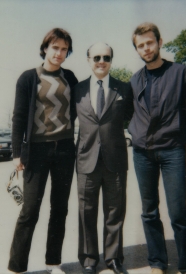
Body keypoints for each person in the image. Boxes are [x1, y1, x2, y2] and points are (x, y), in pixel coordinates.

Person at [128, 22, 186, 274]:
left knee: (178, 210)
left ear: (159, 42)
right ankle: (157, 262)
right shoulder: (135, 80)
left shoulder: (181, 73)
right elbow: (129, 113)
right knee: (149, 211)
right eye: (140, 46)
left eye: (149, 42)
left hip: (173, 151)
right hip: (142, 154)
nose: (146, 48)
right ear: (137, 50)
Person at [8, 28, 78, 274]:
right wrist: (18, 153)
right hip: (36, 151)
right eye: (55, 47)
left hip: (65, 150)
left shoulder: (70, 77)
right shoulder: (29, 78)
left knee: (60, 208)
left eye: (64, 49)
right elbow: (18, 117)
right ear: (45, 48)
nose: (59, 53)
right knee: (29, 211)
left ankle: (53, 263)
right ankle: (17, 267)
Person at [74, 42, 133, 274]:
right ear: (88, 60)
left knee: (115, 210)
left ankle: (114, 258)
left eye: (106, 57)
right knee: (86, 211)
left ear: (111, 60)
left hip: (115, 160)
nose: (101, 61)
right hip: (86, 159)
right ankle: (89, 260)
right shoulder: (77, 90)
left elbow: (131, 117)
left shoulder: (124, 89)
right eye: (96, 57)